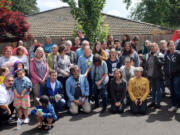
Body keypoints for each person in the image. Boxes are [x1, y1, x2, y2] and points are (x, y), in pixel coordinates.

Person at [145, 43, 164, 109]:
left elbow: (162, 64)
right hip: (151, 75)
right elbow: (147, 65)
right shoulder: (150, 55)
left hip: (158, 76)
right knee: (153, 90)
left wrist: (156, 57)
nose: (152, 48)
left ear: (156, 47)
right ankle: (153, 102)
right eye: (151, 47)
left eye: (153, 47)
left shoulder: (160, 55)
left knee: (158, 90)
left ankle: (158, 103)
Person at [164, 40, 180, 114]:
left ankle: (179, 106)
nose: (171, 46)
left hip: (177, 75)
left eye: (172, 45)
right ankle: (174, 105)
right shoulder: (167, 55)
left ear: (175, 45)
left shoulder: (178, 54)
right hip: (169, 76)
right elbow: (165, 65)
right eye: (170, 45)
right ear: (168, 46)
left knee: (177, 91)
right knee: (172, 92)